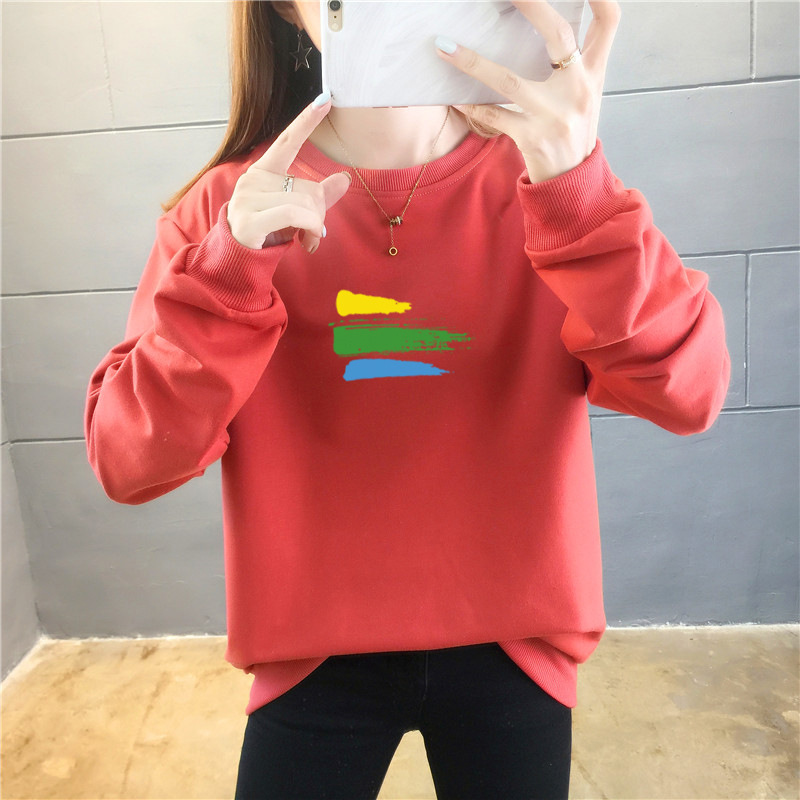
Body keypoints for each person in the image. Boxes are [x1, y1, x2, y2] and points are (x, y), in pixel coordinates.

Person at [84, 1, 731, 797]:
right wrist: (227, 275)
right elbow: (128, 461)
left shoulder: (550, 181)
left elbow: (690, 392)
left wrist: (581, 195)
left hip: (516, 647)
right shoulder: (230, 211)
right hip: (312, 656)